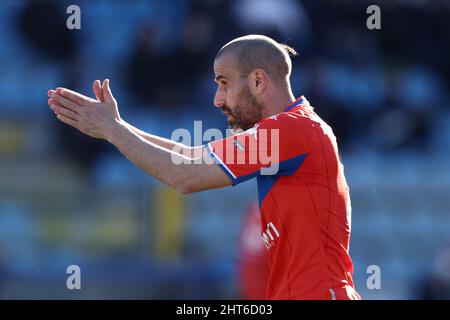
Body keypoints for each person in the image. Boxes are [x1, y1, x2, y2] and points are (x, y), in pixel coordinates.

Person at [47, 34, 360, 300]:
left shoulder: (291, 132)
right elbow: (189, 156)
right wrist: (115, 125)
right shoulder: (291, 129)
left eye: (224, 84)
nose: (217, 98)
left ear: (258, 80)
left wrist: (112, 131)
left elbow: (185, 176)